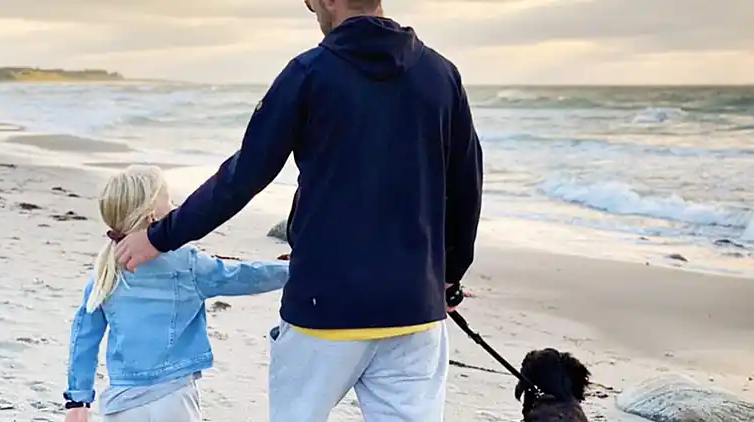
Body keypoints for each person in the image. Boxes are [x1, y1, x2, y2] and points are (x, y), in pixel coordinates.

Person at [113, 0, 483, 419]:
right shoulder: (441, 75)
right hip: (414, 311)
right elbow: (467, 187)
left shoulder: (309, 73)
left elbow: (243, 176)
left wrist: (160, 237)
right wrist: (449, 277)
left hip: (323, 310)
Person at [62, 165, 290, 422]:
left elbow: (84, 338)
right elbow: (243, 276)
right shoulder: (187, 264)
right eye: (169, 201)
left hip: (121, 403)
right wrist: (293, 271)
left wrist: (78, 400)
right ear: (152, 218)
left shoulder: (105, 274)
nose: (175, 207)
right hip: (173, 399)